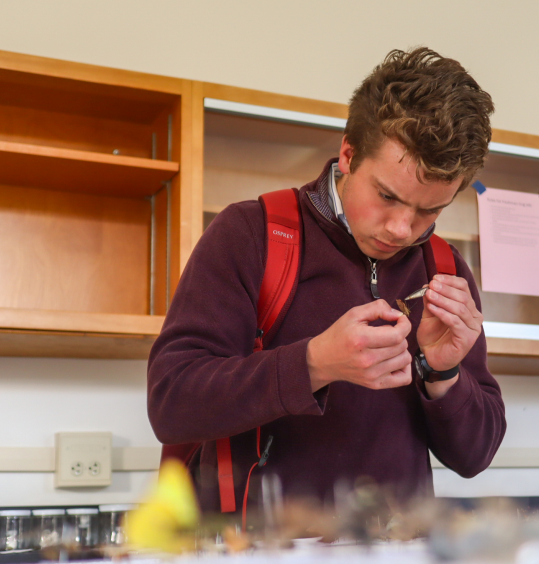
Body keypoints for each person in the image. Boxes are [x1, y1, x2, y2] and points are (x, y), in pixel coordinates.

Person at [147, 47, 506, 513]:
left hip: (398, 551)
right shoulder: (251, 233)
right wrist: (314, 364)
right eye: (387, 196)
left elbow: (474, 456)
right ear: (348, 154)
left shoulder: (446, 267)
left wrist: (443, 374)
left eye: (429, 210)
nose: (401, 229)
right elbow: (171, 402)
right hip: (253, 554)